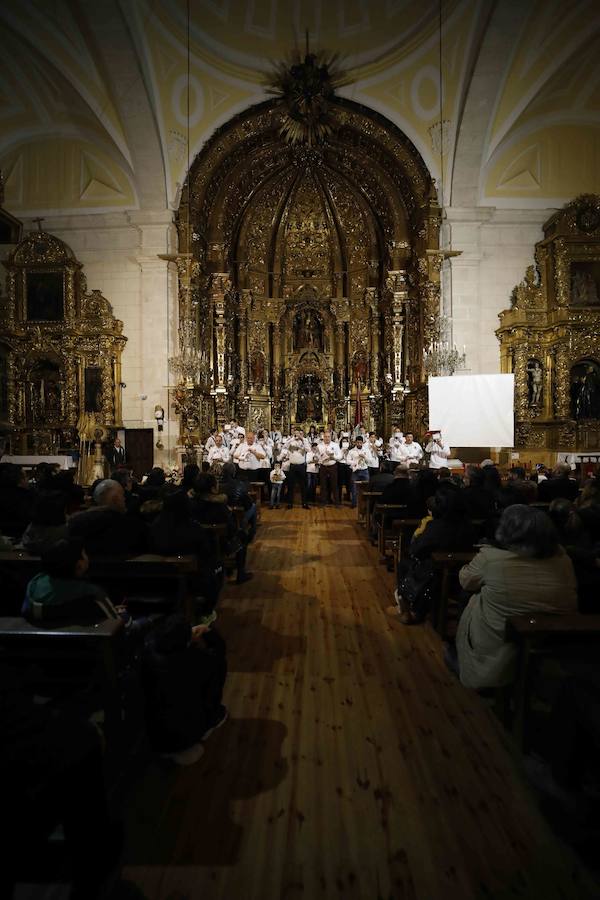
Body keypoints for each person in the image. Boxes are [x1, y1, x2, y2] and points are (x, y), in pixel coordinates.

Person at [455, 505, 577, 689]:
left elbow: (465, 581)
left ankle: (464, 656)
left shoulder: (491, 558)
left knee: (474, 597)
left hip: (500, 639)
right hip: (553, 640)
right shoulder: (563, 559)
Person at [142, 614, 227, 765]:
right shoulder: (195, 660)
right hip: (185, 735)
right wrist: (209, 633)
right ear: (187, 641)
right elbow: (219, 659)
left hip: (150, 734)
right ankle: (212, 719)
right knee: (215, 674)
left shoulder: (146, 653)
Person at [21, 537, 122, 626]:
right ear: (79, 565)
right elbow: (117, 624)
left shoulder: (35, 583)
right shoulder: (92, 593)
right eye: (84, 553)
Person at [68, 478, 147, 556]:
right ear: (115, 499)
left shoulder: (76, 521)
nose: (125, 499)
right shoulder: (132, 525)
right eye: (123, 495)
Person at [284, 428, 310, 509]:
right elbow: (285, 446)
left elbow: (308, 449)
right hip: (292, 465)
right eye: (295, 433)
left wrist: (302, 439)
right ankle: (290, 503)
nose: (297, 434)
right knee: (290, 485)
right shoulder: (290, 440)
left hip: (301, 465)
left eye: (298, 433)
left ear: (301, 433)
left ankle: (304, 503)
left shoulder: (304, 440)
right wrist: (292, 438)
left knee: (303, 485)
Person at [346, 435, 373, 508]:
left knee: (367, 487)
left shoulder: (366, 450)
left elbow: (370, 460)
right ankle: (354, 503)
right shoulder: (352, 451)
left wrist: (364, 457)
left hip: (364, 470)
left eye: (360, 443)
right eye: (357, 443)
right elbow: (347, 461)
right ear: (355, 443)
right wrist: (354, 462)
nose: (359, 444)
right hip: (355, 471)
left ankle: (366, 504)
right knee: (354, 488)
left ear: (362, 443)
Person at [317, 430, 340, 506]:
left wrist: (333, 457)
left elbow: (339, 456)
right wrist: (321, 459)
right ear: (323, 437)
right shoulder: (319, 446)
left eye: (328, 436)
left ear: (331, 437)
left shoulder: (335, 445)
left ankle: (337, 502)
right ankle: (323, 502)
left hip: (332, 466)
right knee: (323, 485)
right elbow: (316, 456)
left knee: (334, 484)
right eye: (325, 437)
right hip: (323, 466)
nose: (327, 438)